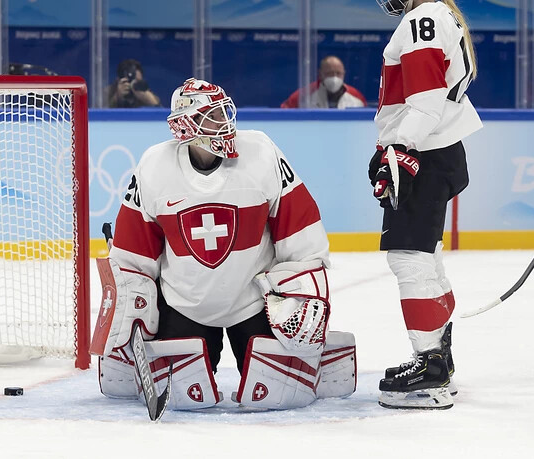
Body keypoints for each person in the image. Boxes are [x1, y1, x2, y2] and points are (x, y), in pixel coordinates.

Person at [90, 78, 357, 412]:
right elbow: (133, 253)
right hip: (184, 305)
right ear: (187, 126)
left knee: (282, 395)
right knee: (183, 401)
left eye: (224, 113)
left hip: (254, 303)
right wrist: (133, 311)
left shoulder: (261, 151)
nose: (225, 123)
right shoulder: (154, 166)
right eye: (212, 117)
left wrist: (300, 290)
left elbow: (300, 229)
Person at [368, 0, 483, 410]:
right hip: (438, 149)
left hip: (425, 151)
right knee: (426, 257)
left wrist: (401, 148)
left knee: (409, 258)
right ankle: (439, 357)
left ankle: (429, 366)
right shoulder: (441, 14)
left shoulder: (424, 18)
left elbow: (425, 99)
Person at [280, 55, 367, 109]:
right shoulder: (303, 95)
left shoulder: (357, 97)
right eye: (329, 73)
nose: (334, 77)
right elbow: (284, 114)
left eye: (338, 73)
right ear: (320, 74)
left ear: (344, 74)